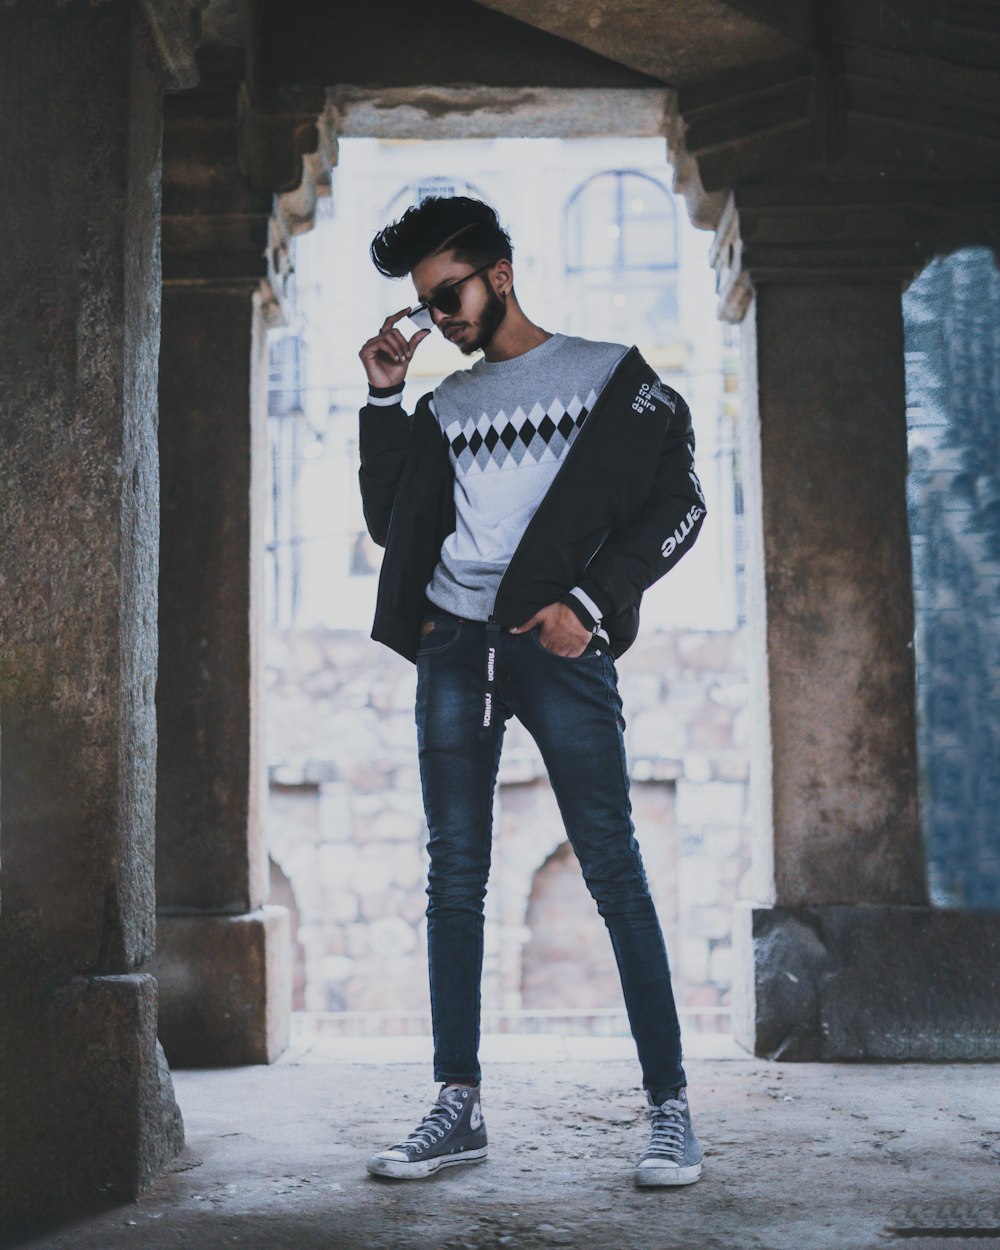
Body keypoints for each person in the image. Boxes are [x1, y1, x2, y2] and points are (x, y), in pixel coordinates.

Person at [356, 196, 706, 1188]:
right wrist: (387, 396)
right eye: (424, 305)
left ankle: (670, 1107)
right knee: (454, 872)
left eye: (448, 294)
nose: (438, 318)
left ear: (499, 273)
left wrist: (588, 604)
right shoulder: (446, 407)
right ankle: (455, 1105)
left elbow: (682, 502)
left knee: (612, 864)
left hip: (557, 643)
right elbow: (393, 525)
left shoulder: (611, 379)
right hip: (453, 645)